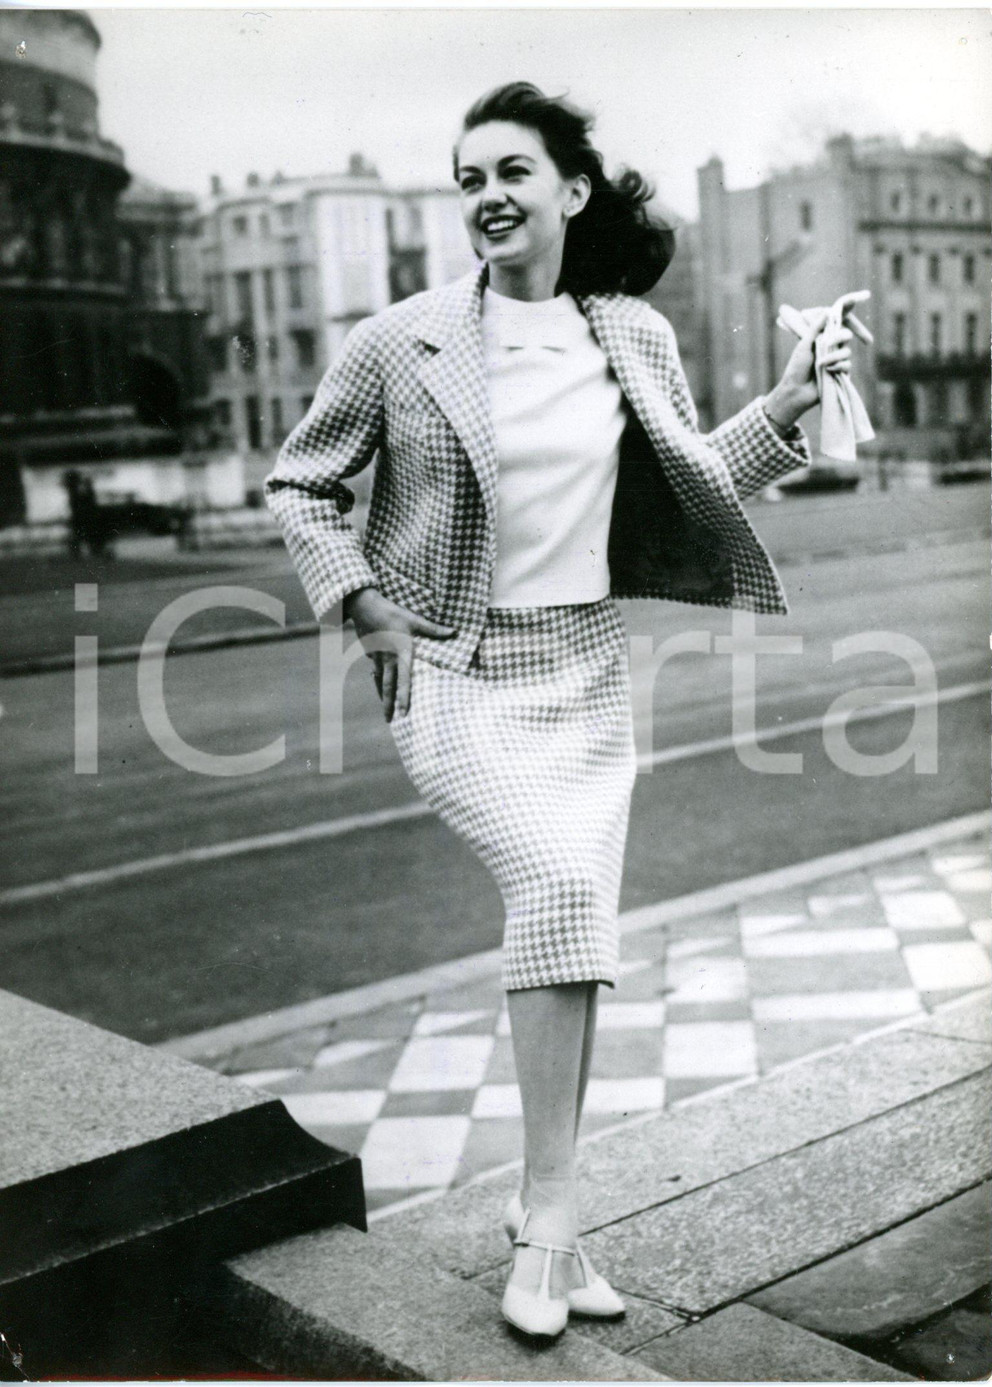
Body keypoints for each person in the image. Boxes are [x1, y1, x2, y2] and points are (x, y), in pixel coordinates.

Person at [265, 81, 858, 1339]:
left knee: (572, 922)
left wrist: (792, 403)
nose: (486, 195)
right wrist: (361, 603)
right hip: (454, 671)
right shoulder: (402, 341)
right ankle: (544, 1228)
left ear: (570, 192)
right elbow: (301, 482)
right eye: (468, 176)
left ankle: (554, 1220)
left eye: (512, 172)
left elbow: (688, 475)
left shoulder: (628, 333)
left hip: (584, 670)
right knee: (549, 885)